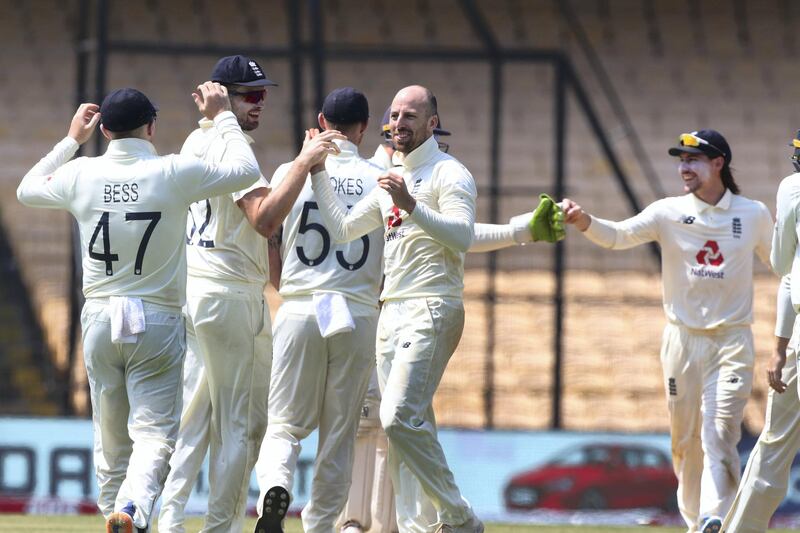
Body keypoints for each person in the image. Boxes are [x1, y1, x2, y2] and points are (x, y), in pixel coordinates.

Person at [17, 84, 260, 532]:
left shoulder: (82, 173)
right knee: (153, 434)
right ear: (152, 127)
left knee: (110, 440)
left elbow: (26, 189)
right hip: (157, 318)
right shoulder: (172, 170)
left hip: (100, 316)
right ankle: (131, 509)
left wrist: (71, 140)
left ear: (105, 130)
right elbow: (246, 169)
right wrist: (224, 115)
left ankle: (118, 513)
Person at [561, 130, 784, 533]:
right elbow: (618, 236)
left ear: (719, 163)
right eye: (681, 160)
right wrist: (584, 221)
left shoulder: (752, 214)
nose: (684, 168)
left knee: (720, 432)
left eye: (693, 160)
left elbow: (784, 266)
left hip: (731, 340)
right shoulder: (667, 212)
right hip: (682, 341)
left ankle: (719, 518)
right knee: (685, 441)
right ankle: (696, 520)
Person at [157, 55, 343, 533]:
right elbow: (264, 220)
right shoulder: (227, 144)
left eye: (263, 94)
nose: (260, 104)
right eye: (249, 95)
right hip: (229, 295)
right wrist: (303, 162)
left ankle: (169, 522)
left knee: (196, 422)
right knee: (240, 427)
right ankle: (221, 528)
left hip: (201, 291)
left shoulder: (198, 139)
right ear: (224, 97)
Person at [309, 85, 484, 533]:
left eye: (411, 115)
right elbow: (345, 228)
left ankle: (459, 516)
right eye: (395, 115)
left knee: (397, 418)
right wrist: (315, 172)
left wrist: (412, 206)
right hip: (392, 311)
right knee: (408, 426)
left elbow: (463, 237)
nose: (400, 123)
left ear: (431, 123)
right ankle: (416, 527)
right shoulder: (390, 177)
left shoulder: (450, 174)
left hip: (432, 305)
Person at [253, 87, 383, 533]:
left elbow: (269, 236)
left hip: (301, 306)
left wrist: (283, 282)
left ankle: (276, 483)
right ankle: (321, 526)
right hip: (358, 312)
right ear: (363, 128)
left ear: (322, 121)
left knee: (284, 426)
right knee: (339, 434)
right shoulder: (381, 176)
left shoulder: (293, 170)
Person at [720, 139, 800, 532]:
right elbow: (790, 275)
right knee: (772, 445)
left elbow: (784, 264)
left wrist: (782, 349)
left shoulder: (793, 187)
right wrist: (780, 349)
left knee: (773, 449)